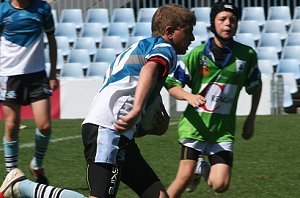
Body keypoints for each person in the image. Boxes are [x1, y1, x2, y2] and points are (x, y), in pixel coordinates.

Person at [0, 3, 196, 198]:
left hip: (113, 130)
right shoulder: (165, 49)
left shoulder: (138, 49)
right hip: (109, 130)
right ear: (169, 32)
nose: (193, 38)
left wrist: (150, 126)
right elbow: (149, 70)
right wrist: (137, 110)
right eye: (188, 32)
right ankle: (22, 187)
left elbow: (123, 91)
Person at [165, 2, 262, 197]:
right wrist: (189, 96)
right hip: (195, 127)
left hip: (222, 132)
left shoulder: (247, 55)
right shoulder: (198, 53)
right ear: (213, 22)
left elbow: (256, 86)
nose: (228, 24)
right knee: (183, 178)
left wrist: (251, 119)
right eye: (222, 19)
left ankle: (200, 167)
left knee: (220, 185)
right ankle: (194, 168)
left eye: (232, 20)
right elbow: (171, 83)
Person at [0, 0, 58, 185]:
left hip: (37, 75)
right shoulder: (2, 10)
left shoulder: (42, 8)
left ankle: (37, 164)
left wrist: (52, 73)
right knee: (11, 126)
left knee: (45, 126)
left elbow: (51, 39)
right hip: (9, 75)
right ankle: (12, 175)